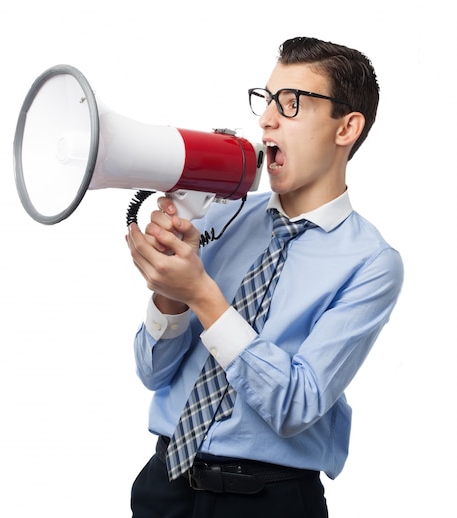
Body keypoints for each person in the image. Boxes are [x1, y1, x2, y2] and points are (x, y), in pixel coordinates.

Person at [125, 36, 404, 517]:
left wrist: (203, 295)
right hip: (165, 484)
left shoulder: (371, 262)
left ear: (347, 128)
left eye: (291, 104)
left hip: (267, 501)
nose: (266, 120)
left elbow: (298, 403)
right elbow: (154, 374)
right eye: (267, 100)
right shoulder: (223, 215)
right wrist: (170, 296)